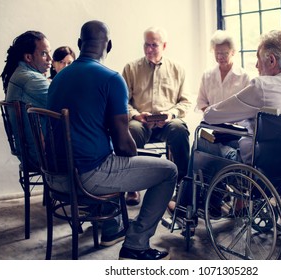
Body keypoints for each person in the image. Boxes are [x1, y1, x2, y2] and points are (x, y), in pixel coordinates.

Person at [47, 20, 177, 260]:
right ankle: (136, 244)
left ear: (79, 44)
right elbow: (124, 147)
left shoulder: (59, 79)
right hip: (87, 176)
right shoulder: (110, 79)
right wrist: (137, 156)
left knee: (115, 158)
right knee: (169, 171)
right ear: (109, 46)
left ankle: (117, 227)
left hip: (56, 178)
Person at [174, 30, 281, 211]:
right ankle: (211, 202)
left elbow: (210, 116)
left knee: (202, 139)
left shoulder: (261, 86)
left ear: (271, 60)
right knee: (224, 141)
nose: (256, 65)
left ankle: (187, 206)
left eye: (259, 59)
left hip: (255, 170)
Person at [122, 26, 191, 206]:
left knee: (179, 129)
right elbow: (122, 101)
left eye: (154, 45)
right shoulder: (130, 68)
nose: (149, 49)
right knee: (130, 130)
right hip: (141, 122)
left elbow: (185, 101)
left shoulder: (178, 69)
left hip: (167, 123)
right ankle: (132, 186)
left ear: (164, 46)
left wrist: (171, 114)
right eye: (146, 44)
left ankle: (183, 186)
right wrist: (137, 115)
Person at [0, 30, 52, 168]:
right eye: (44, 54)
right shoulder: (31, 79)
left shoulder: (21, 74)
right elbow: (65, 105)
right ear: (28, 57)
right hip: (41, 156)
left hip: (30, 154)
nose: (50, 59)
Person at [196, 29, 250, 112]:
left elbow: (248, 106)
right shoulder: (207, 75)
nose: (220, 57)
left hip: (236, 122)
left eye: (225, 53)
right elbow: (201, 102)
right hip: (212, 121)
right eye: (217, 53)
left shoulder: (244, 76)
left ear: (233, 52)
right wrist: (212, 115)